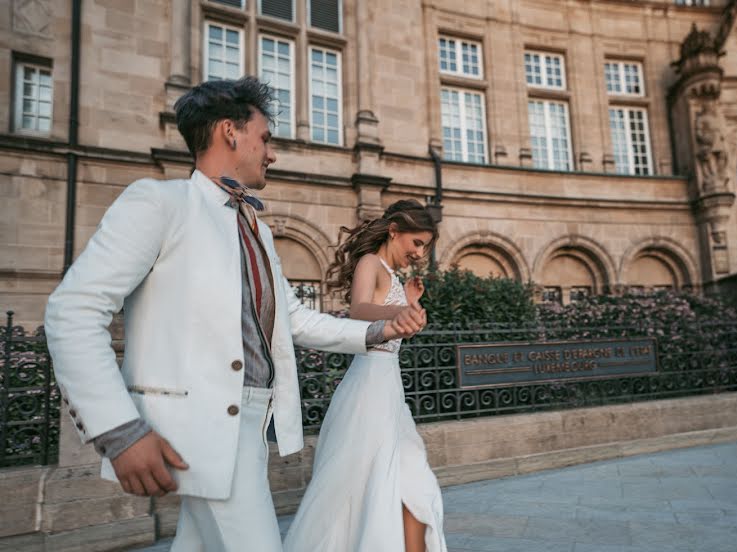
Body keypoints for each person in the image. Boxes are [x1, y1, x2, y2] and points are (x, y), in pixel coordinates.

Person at [43, 76, 426, 551]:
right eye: (265, 138)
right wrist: (118, 428)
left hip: (250, 426)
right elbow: (72, 311)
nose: (272, 153)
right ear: (230, 132)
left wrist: (380, 328)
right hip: (199, 431)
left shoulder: (258, 233)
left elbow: (295, 320)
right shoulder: (161, 204)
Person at [283, 200, 447, 552]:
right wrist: (401, 308)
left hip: (390, 390)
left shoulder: (396, 277)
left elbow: (394, 324)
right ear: (394, 231)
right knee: (364, 484)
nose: (420, 253)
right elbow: (358, 311)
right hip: (368, 390)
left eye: (425, 247)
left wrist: (412, 304)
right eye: (417, 242)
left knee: (414, 482)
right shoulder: (370, 263)